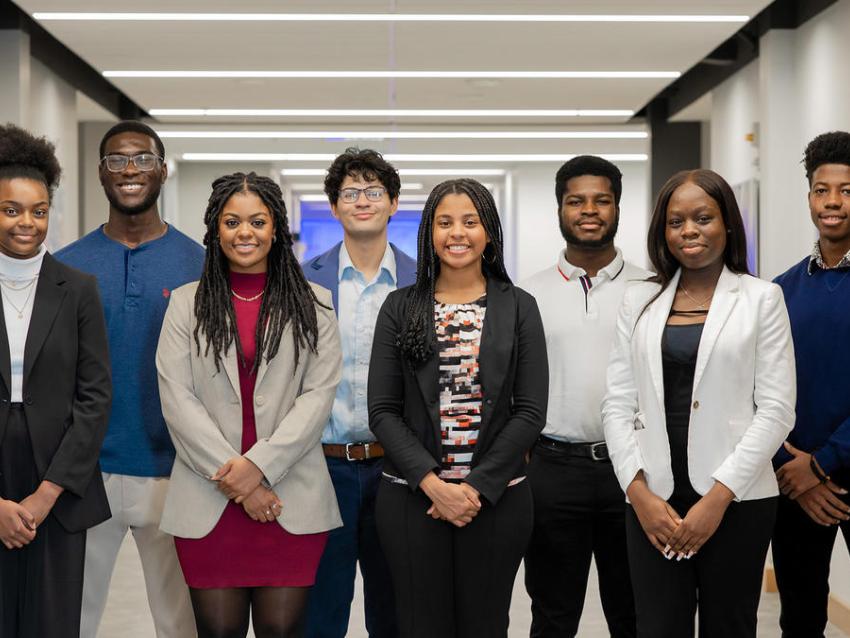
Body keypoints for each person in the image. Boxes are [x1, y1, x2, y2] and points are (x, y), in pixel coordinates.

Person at [601, 169, 796, 637]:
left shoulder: (761, 299)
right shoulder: (639, 301)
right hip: (655, 500)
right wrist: (637, 492)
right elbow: (616, 404)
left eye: (703, 218)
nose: (688, 230)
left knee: (729, 625)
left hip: (737, 499)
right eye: (676, 221)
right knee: (658, 625)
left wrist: (718, 498)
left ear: (727, 223)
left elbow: (776, 409)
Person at [156, 171, 343, 638]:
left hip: (290, 500)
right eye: (232, 221)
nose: (245, 233)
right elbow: (176, 398)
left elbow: (317, 399)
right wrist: (239, 480)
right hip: (208, 499)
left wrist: (258, 469)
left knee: (283, 631)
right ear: (215, 230)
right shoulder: (186, 304)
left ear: (275, 228)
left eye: (257, 222)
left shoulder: (315, 305)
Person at [368, 178, 548, 638]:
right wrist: (434, 485)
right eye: (445, 222)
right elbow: (383, 410)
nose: (457, 233)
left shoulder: (519, 307)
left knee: (485, 625)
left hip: (497, 500)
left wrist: (474, 489)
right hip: (412, 501)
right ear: (429, 231)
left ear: (488, 231)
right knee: (419, 625)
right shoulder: (399, 307)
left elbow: (530, 411)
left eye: (470, 222)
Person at [56, 120, 201, 638]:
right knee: (71, 619)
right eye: (117, 160)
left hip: (178, 472)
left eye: (143, 158)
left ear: (162, 169)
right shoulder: (67, 267)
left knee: (180, 624)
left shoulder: (200, 265)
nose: (131, 170)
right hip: (85, 475)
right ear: (100, 173)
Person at [522, 155, 645, 637]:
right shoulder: (525, 294)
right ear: (560, 209)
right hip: (553, 472)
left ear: (617, 208)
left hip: (633, 473)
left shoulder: (652, 287)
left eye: (602, 200)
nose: (589, 210)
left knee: (634, 610)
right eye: (577, 200)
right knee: (553, 613)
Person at [0, 124, 111, 636]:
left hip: (59, 482)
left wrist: (46, 494)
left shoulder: (79, 289)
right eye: (11, 209)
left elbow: (94, 398)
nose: (27, 222)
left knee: (51, 622)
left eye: (38, 211)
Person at [302, 148, 415, 638]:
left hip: (399, 471)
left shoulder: (422, 280)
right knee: (320, 612)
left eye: (374, 191)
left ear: (393, 203)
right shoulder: (303, 281)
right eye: (350, 193)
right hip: (322, 467)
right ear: (334, 207)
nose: (362, 201)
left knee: (395, 611)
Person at [772, 131, 850, 637]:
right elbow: (760, 389)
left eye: (847, 189)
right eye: (822, 190)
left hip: (823, 466)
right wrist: (790, 467)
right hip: (796, 483)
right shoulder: (780, 290)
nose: (834, 202)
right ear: (809, 198)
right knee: (800, 618)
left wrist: (824, 462)